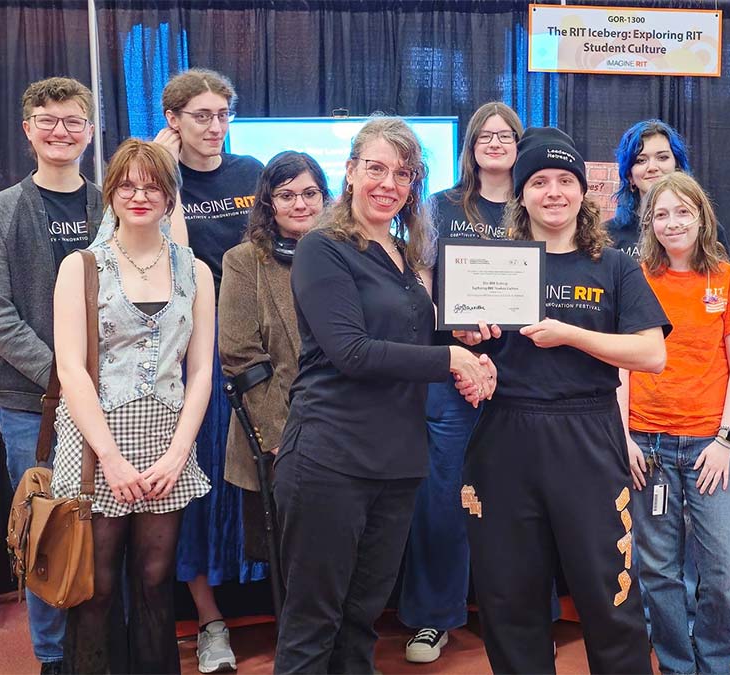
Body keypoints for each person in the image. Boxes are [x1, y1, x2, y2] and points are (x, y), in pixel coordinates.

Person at [272, 116, 495, 674]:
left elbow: (408, 333)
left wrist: (456, 334)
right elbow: (352, 351)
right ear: (349, 173)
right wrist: (451, 359)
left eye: (403, 173)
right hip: (329, 457)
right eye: (375, 168)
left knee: (360, 619)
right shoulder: (323, 248)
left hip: (397, 461)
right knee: (312, 623)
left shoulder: (403, 252)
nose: (388, 183)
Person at [459, 127, 669, 674]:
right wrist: (471, 356)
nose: (554, 192)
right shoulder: (492, 263)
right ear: (520, 193)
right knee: (509, 598)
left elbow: (651, 354)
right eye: (540, 181)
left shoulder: (615, 266)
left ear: (583, 192)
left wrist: (571, 334)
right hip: (505, 436)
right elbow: (460, 348)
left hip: (588, 435)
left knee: (611, 594)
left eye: (566, 181)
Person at [50, 138, 214, 673]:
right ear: (112, 194)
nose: (139, 195)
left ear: (171, 196)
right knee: (93, 590)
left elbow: (200, 372)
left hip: (167, 444)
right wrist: (112, 459)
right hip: (97, 449)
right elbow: (71, 369)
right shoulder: (81, 266)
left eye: (153, 185)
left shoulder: (196, 271)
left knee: (154, 583)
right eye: (127, 184)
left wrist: (177, 453)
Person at [0, 76, 103, 675]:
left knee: (107, 530)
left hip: (115, 400)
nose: (61, 131)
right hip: (33, 406)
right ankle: (52, 657)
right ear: (28, 131)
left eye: (73, 121)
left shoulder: (111, 204)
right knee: (47, 532)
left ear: (90, 132)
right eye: (47, 120)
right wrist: (65, 375)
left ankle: (102, 646)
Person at [397, 101, 538, 663]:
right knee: (442, 496)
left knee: (524, 496)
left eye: (507, 135)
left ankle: (528, 609)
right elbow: (421, 284)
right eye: (486, 134)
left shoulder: (538, 203)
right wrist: (453, 332)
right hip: (450, 368)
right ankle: (433, 617)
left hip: (527, 369)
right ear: (471, 145)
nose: (497, 142)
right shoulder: (440, 206)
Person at [621, 172, 730, 674]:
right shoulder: (633, 276)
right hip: (648, 443)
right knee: (657, 570)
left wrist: (726, 440)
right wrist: (623, 438)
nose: (672, 223)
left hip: (711, 444)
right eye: (661, 214)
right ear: (648, 222)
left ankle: (714, 665)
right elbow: (620, 364)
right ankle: (678, 667)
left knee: (723, 569)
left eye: (683, 212)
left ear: (702, 217)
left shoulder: (727, 279)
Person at [159, 67, 266, 674]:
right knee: (197, 491)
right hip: (195, 353)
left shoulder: (251, 174)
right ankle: (209, 620)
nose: (215, 127)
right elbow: (175, 265)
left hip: (260, 348)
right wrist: (164, 168)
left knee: (260, 484)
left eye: (224, 115)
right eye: (201, 115)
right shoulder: (158, 183)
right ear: (173, 120)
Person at [217, 151, 330, 564]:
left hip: (346, 433)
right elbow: (240, 358)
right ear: (268, 203)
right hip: (277, 438)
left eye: (310, 193)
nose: (300, 205)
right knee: (290, 561)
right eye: (286, 195)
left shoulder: (351, 253)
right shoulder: (244, 261)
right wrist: (283, 439)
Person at [607, 119, 730, 261]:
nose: (652, 167)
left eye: (662, 157)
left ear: (677, 166)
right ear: (630, 176)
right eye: (641, 160)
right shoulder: (609, 234)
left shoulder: (707, 229)